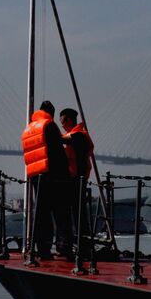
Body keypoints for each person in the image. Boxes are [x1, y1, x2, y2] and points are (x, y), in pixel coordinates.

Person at [22, 100, 73, 259]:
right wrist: (67, 175)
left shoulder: (29, 128)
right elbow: (57, 151)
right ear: (51, 113)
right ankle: (63, 247)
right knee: (61, 211)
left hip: (36, 176)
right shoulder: (48, 125)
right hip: (53, 175)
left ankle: (42, 249)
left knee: (42, 213)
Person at [59, 108, 94, 244]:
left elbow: (63, 139)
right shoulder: (75, 134)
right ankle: (80, 242)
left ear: (68, 119)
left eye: (62, 120)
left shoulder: (79, 135)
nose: (61, 124)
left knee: (78, 213)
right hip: (74, 179)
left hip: (78, 179)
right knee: (77, 212)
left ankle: (82, 243)